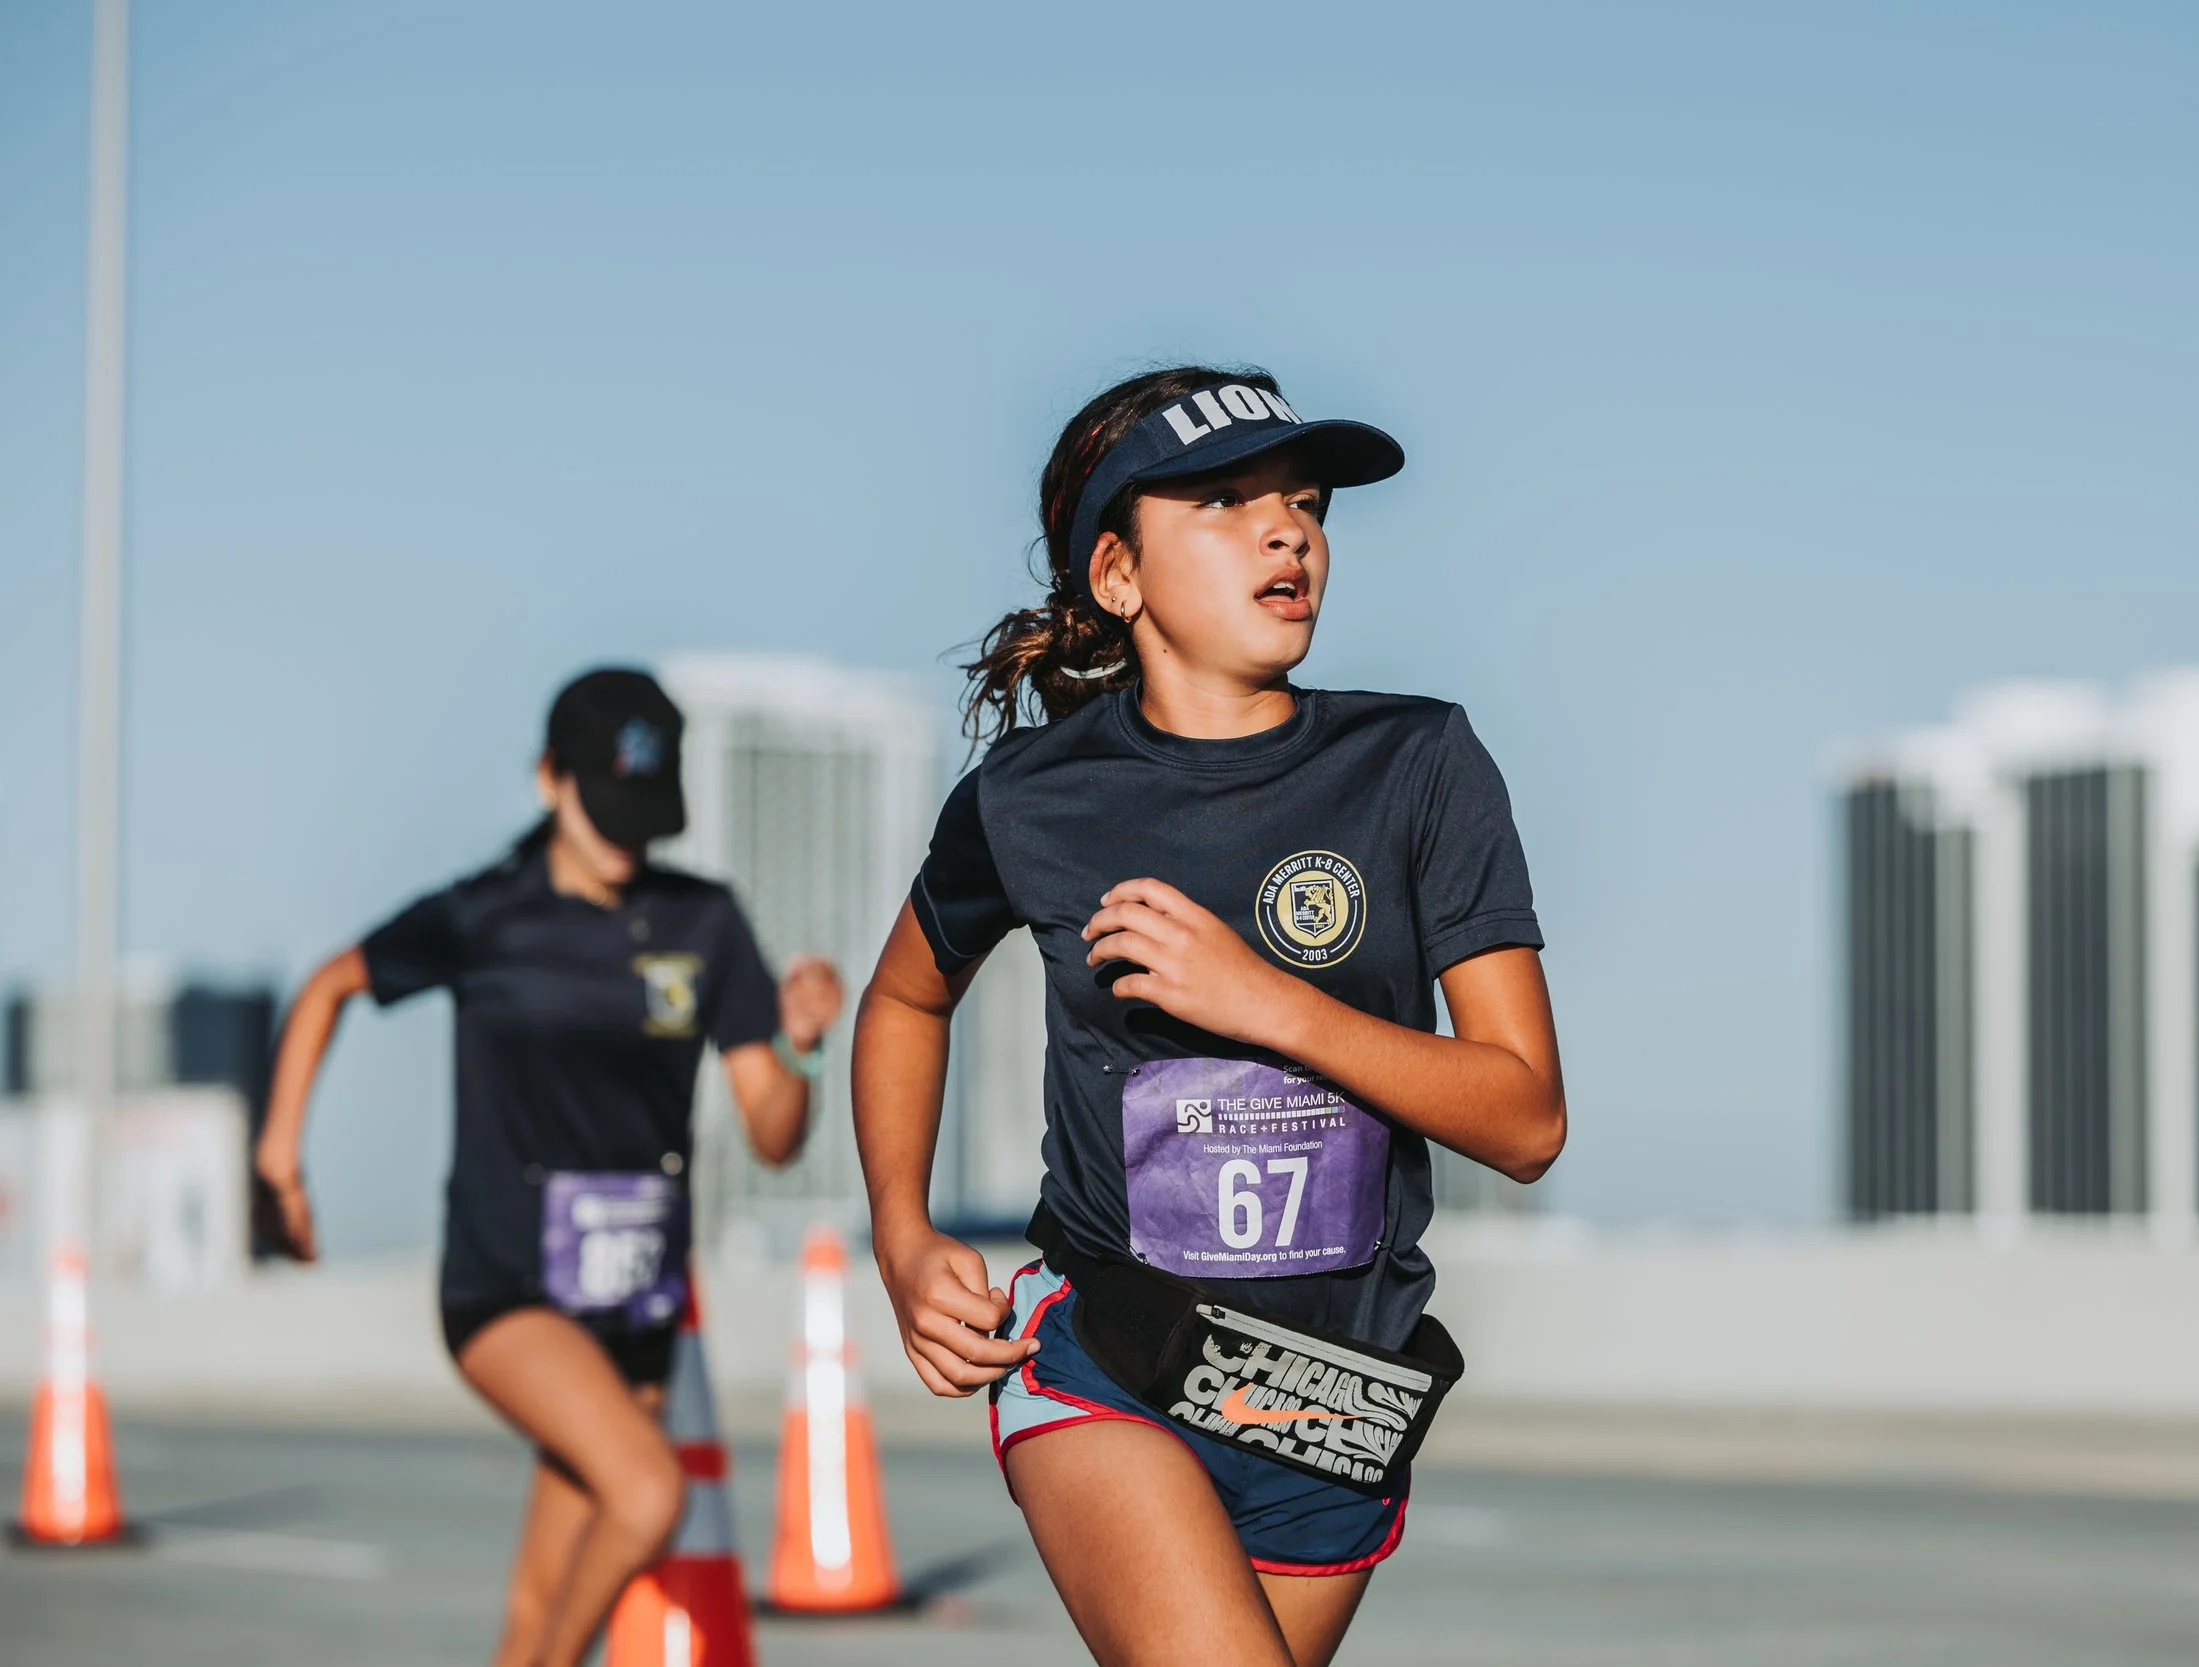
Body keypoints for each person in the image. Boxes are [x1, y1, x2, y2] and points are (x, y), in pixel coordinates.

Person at [853, 366, 1567, 1666]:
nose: (1287, 528)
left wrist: (1270, 1001)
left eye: (1303, 502)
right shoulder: (1029, 797)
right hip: (1110, 1355)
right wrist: (902, 1236)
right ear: (1117, 575)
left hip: (1335, 1403)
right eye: (1227, 503)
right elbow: (906, 996)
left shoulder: (1420, 763)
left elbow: (1525, 1118)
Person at [253, 667, 843, 1667]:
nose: (627, 835)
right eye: (605, 806)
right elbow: (329, 986)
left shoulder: (704, 921)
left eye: (645, 814)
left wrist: (799, 1047)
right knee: (648, 1489)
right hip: (507, 1283)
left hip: (636, 1306)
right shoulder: (486, 913)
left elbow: (773, 1134)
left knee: (539, 1611)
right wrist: (279, 1161)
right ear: (547, 779)